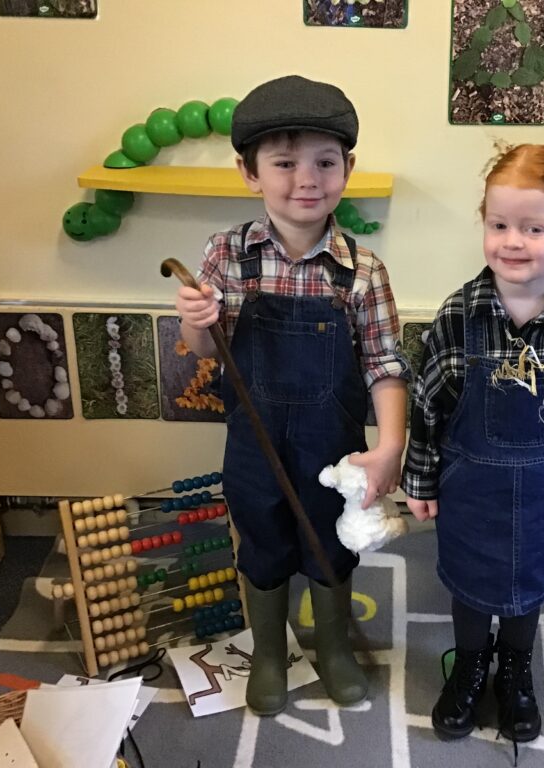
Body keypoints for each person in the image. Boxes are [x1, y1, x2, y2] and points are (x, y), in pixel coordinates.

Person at [175, 75, 408, 716]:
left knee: (330, 541)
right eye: (284, 163)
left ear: (347, 169)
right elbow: (202, 349)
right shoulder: (226, 254)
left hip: (332, 447)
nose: (307, 179)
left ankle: (333, 646)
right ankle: (270, 652)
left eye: (325, 163)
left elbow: (386, 366)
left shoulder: (363, 271)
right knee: (263, 540)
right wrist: (195, 319)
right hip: (253, 443)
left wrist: (390, 447)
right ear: (249, 173)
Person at [403, 143, 544, 745]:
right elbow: (429, 403)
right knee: (471, 583)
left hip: (542, 490)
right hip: (469, 485)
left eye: (534, 228)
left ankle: (515, 667)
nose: (512, 242)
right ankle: (470, 664)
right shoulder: (459, 314)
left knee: (526, 583)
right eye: (499, 225)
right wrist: (419, 478)